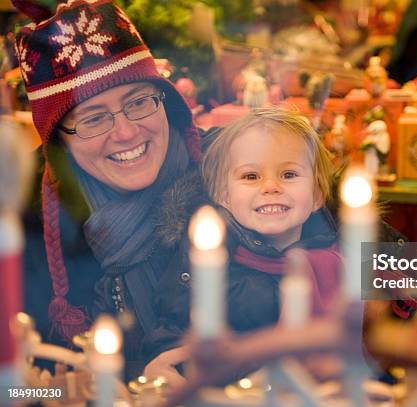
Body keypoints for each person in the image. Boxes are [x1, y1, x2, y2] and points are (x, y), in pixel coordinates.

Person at [13, 0, 217, 379]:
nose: (125, 133)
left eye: (138, 102)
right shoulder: (25, 225)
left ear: (165, 101)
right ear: (59, 143)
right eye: (93, 119)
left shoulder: (228, 164)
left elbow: (359, 227)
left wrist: (366, 321)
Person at [144, 108, 343, 383]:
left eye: (288, 174)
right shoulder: (205, 255)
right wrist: (170, 365)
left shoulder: (341, 256)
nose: (271, 186)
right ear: (224, 195)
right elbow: (173, 322)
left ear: (318, 194)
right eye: (251, 176)